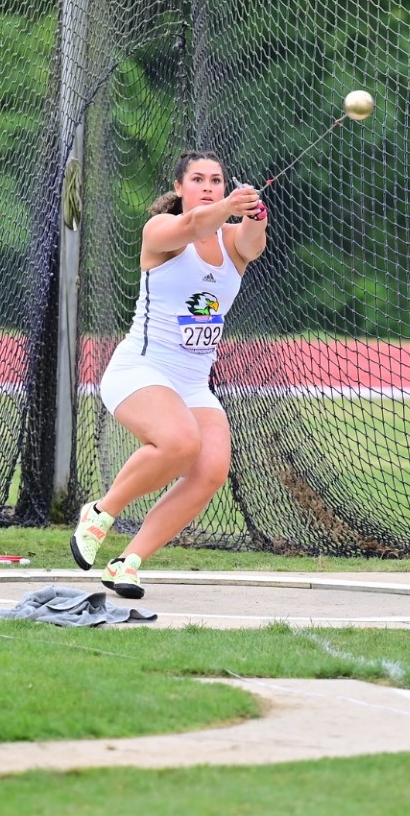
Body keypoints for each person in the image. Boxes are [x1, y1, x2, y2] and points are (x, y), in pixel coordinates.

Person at [70, 150, 268, 599]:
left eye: (216, 180)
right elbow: (194, 226)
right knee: (180, 443)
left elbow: (253, 242)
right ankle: (100, 513)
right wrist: (229, 205)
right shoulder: (162, 230)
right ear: (179, 187)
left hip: (192, 383)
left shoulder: (231, 242)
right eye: (197, 179)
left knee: (211, 469)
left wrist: (255, 213)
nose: (208, 187)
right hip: (141, 370)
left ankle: (127, 562)